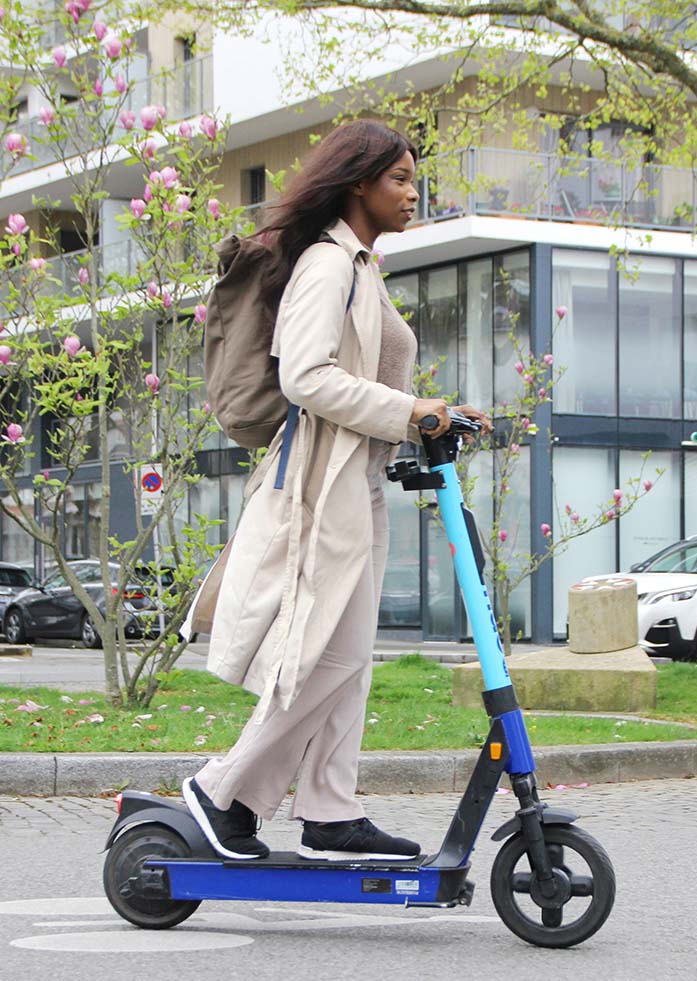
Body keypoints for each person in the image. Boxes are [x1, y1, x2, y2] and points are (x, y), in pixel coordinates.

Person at [182, 120, 491, 862]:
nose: (413, 193)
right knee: (331, 654)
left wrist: (431, 413)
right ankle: (221, 789)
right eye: (400, 180)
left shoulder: (362, 264)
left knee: (348, 655)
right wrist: (407, 410)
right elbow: (306, 377)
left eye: (414, 179)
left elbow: (363, 377)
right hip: (323, 488)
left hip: (359, 481)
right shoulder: (329, 263)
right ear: (359, 183)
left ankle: (328, 809)